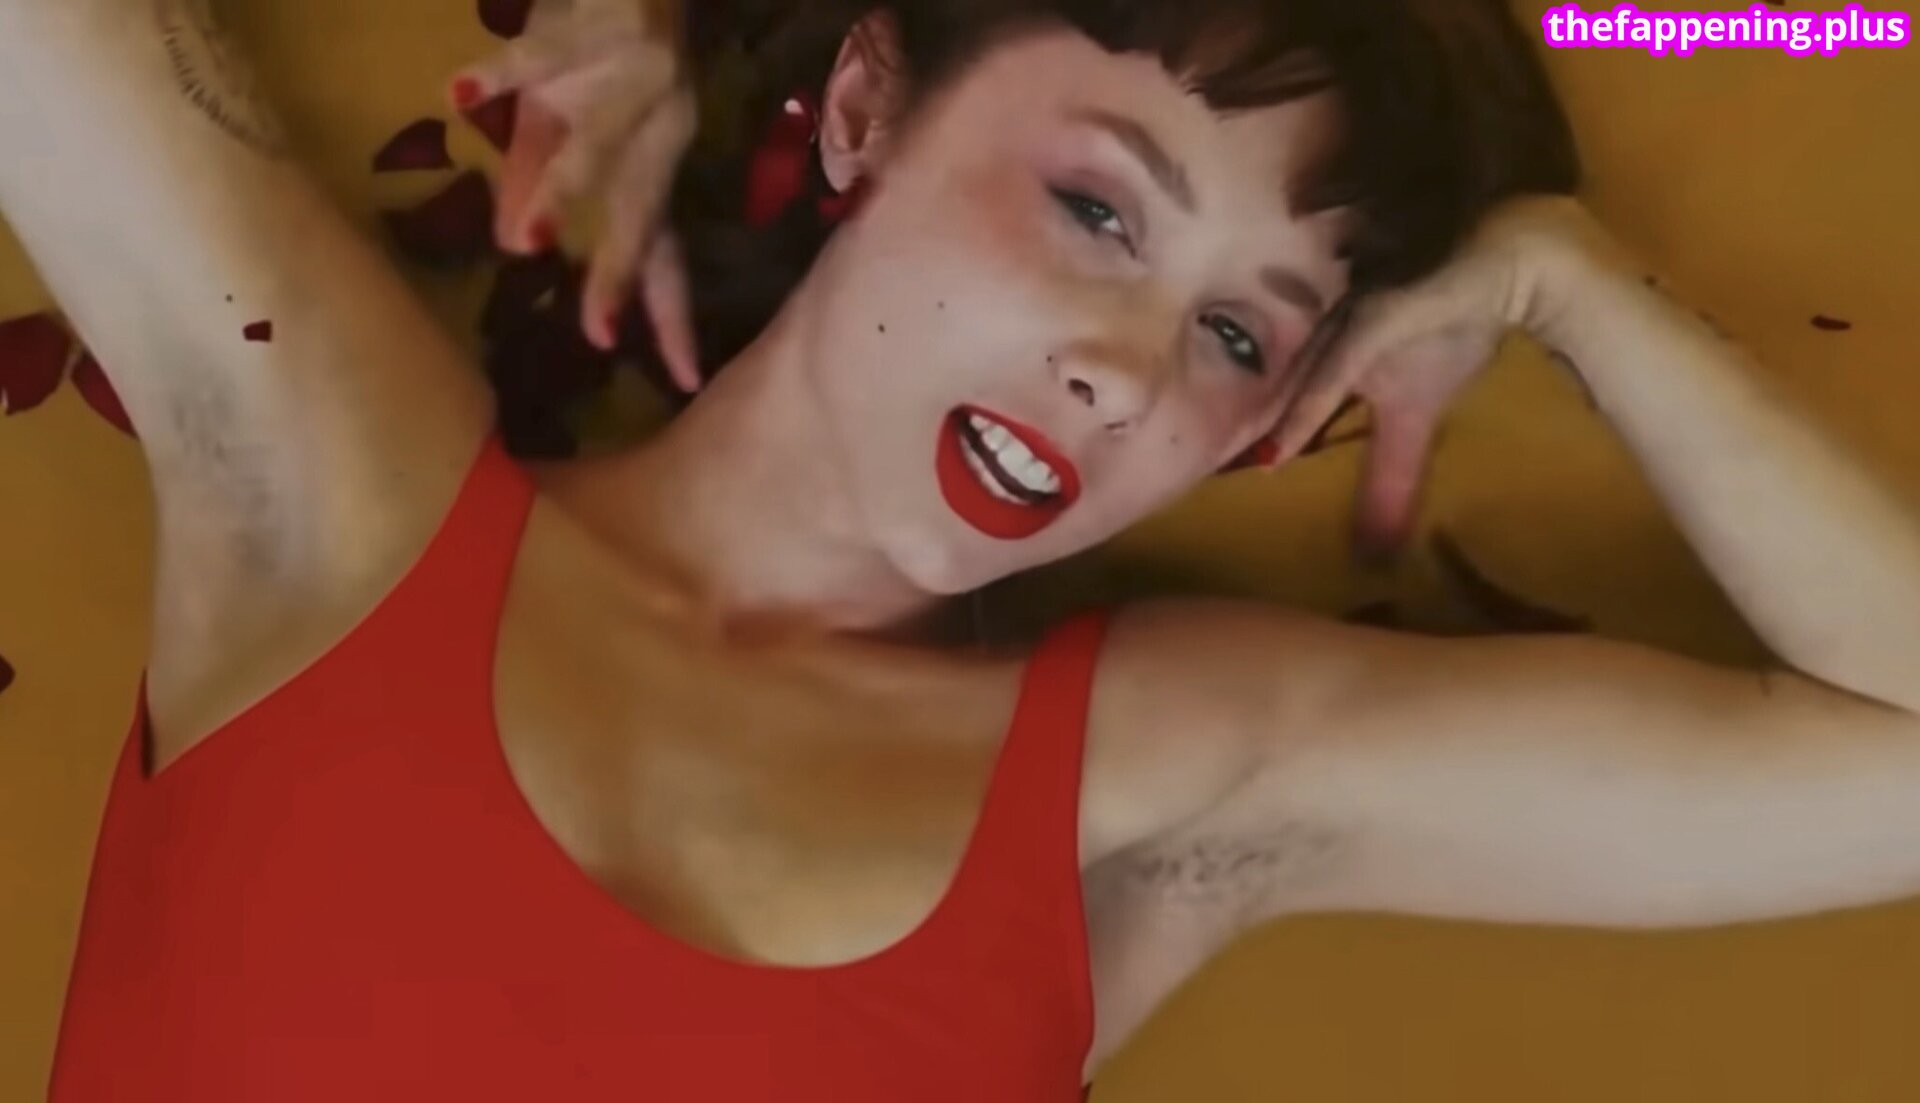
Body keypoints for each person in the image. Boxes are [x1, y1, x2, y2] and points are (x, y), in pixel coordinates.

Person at [5, 1, 1919, 1101]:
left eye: (1239, 332)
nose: (1123, 371)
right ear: (864, 106)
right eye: (1098, 208)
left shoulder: (1153, 789)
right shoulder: (343, 495)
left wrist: (1571, 285)